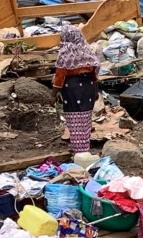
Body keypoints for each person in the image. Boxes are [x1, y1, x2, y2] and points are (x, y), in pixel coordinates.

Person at [52, 25, 100, 154]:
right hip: (88, 87)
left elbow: (60, 76)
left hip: (72, 89)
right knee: (86, 118)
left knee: (74, 119)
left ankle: (78, 150)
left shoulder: (65, 52)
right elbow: (95, 74)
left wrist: (53, 94)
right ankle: (85, 147)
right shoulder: (87, 51)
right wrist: (96, 91)